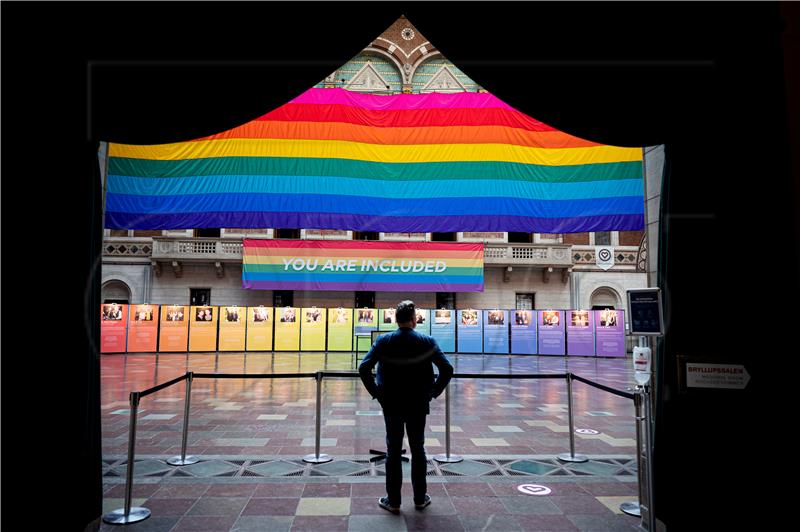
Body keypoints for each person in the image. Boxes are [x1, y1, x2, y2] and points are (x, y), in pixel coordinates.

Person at [358, 300, 453, 514]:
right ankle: (420, 498)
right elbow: (447, 369)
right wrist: (432, 392)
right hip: (418, 402)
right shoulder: (427, 341)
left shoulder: (383, 341)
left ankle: (394, 501)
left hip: (391, 402)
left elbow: (364, 368)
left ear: (395, 319)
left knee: (393, 448)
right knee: (418, 448)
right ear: (413, 319)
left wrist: (377, 393)